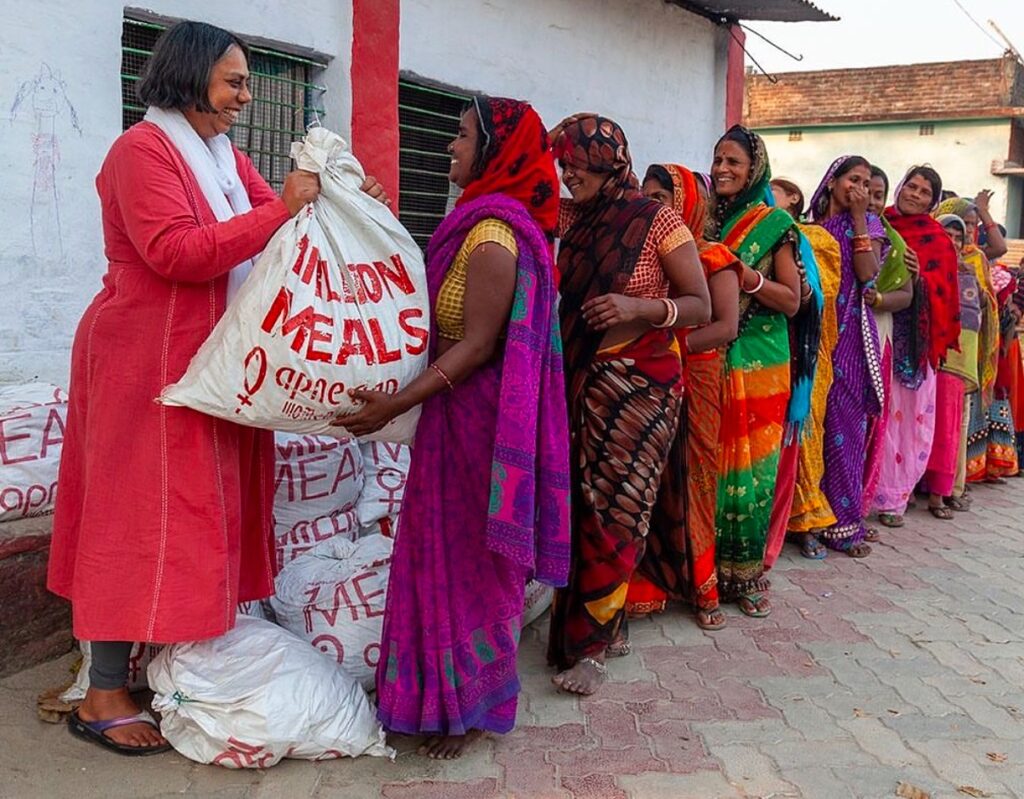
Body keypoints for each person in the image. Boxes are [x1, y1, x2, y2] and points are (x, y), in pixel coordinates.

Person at [45, 21, 349, 755]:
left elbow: (271, 225)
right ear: (189, 77)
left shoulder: (222, 156)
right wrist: (283, 206)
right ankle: (104, 690)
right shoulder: (139, 152)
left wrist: (338, 199)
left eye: (245, 82)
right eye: (234, 81)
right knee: (135, 514)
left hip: (211, 363)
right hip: (142, 362)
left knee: (196, 510)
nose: (245, 95)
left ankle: (157, 661)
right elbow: (175, 250)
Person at [340, 96, 570, 759]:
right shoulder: (471, 224)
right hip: (449, 421)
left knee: (471, 564)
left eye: (463, 136)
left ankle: (473, 706)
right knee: (431, 552)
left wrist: (392, 406)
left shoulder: (496, 235)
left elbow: (472, 347)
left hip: (479, 428)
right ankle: (425, 699)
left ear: (496, 149)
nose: (450, 146)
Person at [546, 114, 710, 695]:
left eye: (579, 165)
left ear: (609, 164)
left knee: (620, 509)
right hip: (579, 378)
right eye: (563, 164)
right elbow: (522, 197)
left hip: (643, 387)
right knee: (582, 508)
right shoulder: (570, 217)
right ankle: (593, 624)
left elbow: (701, 304)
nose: (569, 176)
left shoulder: (657, 219)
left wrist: (637, 307)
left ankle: (592, 647)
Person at [630, 162, 742, 631]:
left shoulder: (713, 257)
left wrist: (668, 344)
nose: (650, 204)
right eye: (646, 194)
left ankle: (702, 586)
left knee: (693, 477)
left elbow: (725, 327)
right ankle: (646, 583)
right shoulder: (642, 255)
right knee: (648, 475)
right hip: (649, 374)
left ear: (687, 206)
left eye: (661, 197)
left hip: (696, 375)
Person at [709, 125, 806, 617]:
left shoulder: (773, 224)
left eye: (733, 163)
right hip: (711, 354)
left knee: (752, 467)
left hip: (762, 359)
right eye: (717, 160)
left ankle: (745, 577)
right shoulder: (705, 220)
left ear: (754, 171)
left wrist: (747, 276)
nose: (722, 170)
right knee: (709, 461)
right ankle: (704, 573)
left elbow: (791, 301)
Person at [806, 156, 887, 556]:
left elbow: (868, 273)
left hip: (850, 342)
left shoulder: (870, 225)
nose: (860, 188)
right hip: (813, 338)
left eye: (867, 183)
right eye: (853, 179)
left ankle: (844, 524)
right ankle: (808, 516)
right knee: (809, 431)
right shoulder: (810, 230)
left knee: (845, 432)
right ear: (832, 183)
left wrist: (858, 218)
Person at [874, 166, 961, 527]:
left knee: (907, 420)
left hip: (915, 346)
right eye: (911, 186)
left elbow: (945, 296)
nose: (914, 194)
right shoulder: (880, 224)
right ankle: (868, 492)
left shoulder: (937, 240)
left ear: (933, 202)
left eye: (924, 192)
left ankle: (894, 498)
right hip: (877, 330)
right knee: (876, 414)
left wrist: (917, 275)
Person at [769, 179, 840, 562]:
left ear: (794, 197)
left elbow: (822, 291)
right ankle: (769, 521)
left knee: (805, 434)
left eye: (774, 190)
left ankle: (806, 518)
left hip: (806, 349)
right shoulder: (752, 228)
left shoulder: (815, 238)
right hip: (762, 343)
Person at [861, 166, 916, 533]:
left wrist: (877, 297)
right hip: (835, 331)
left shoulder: (894, 243)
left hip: (877, 329)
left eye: (879, 194)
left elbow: (906, 294)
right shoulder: (824, 227)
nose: (873, 201)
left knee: (870, 417)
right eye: (868, 191)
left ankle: (862, 498)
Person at [936, 213, 983, 511]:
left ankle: (951, 487)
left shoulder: (969, 272)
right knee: (930, 423)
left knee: (956, 425)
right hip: (928, 360)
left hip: (960, 361)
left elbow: (974, 320)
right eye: (947, 234)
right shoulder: (927, 266)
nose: (952, 242)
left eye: (958, 237)